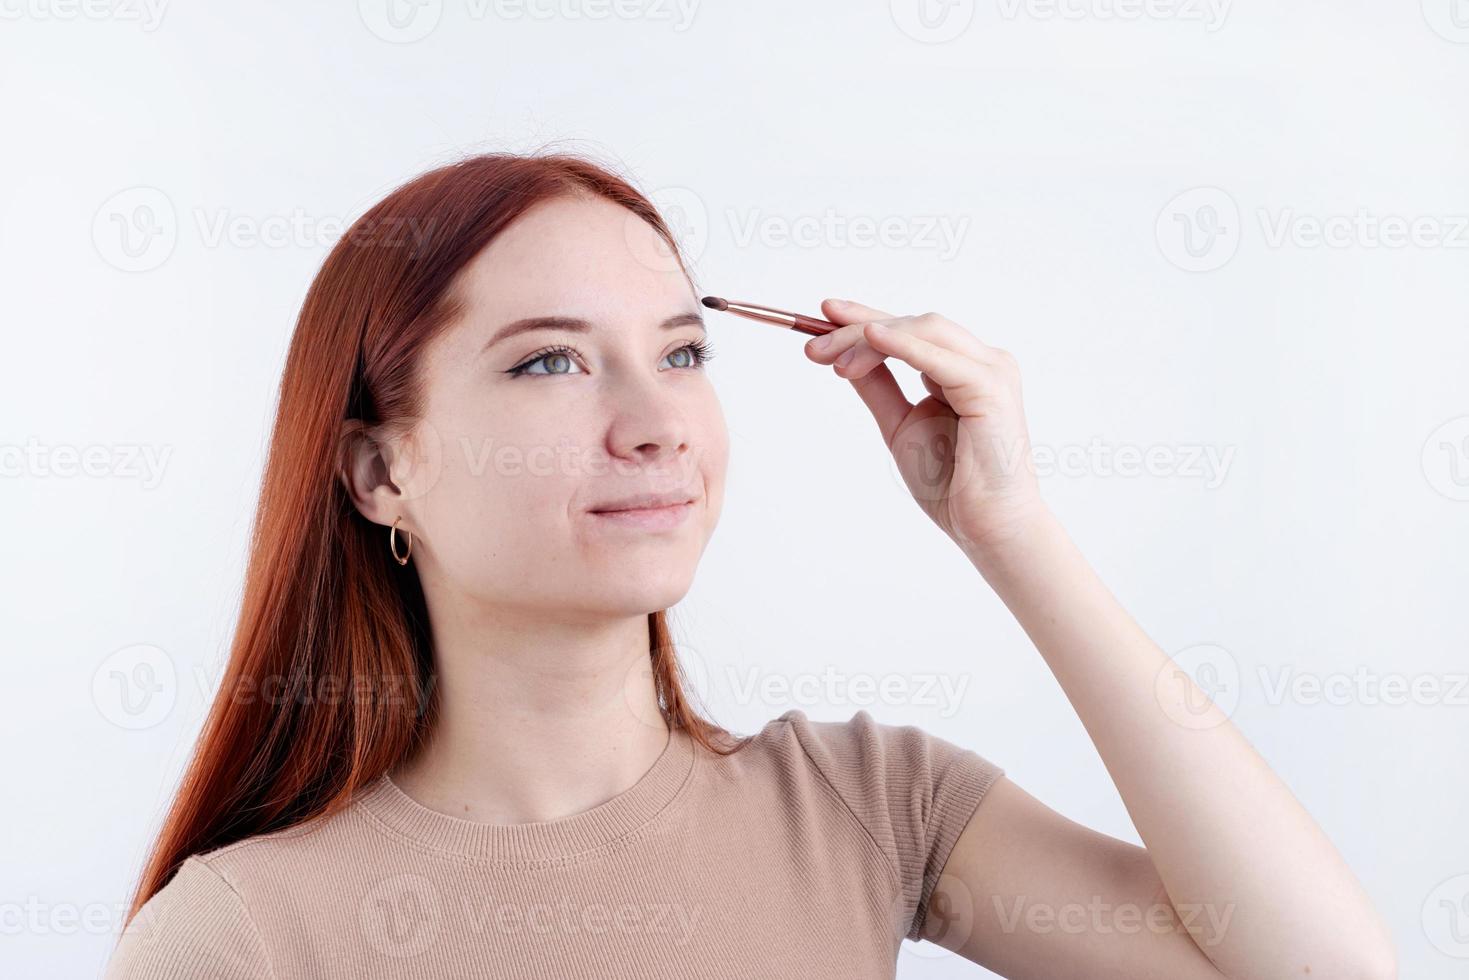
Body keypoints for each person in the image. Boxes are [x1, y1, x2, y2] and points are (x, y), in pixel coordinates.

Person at [104, 151, 1396, 979]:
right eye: (549, 361)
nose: (655, 421)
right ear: (383, 473)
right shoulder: (243, 938)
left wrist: (1013, 537)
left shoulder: (862, 803)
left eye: (680, 353)